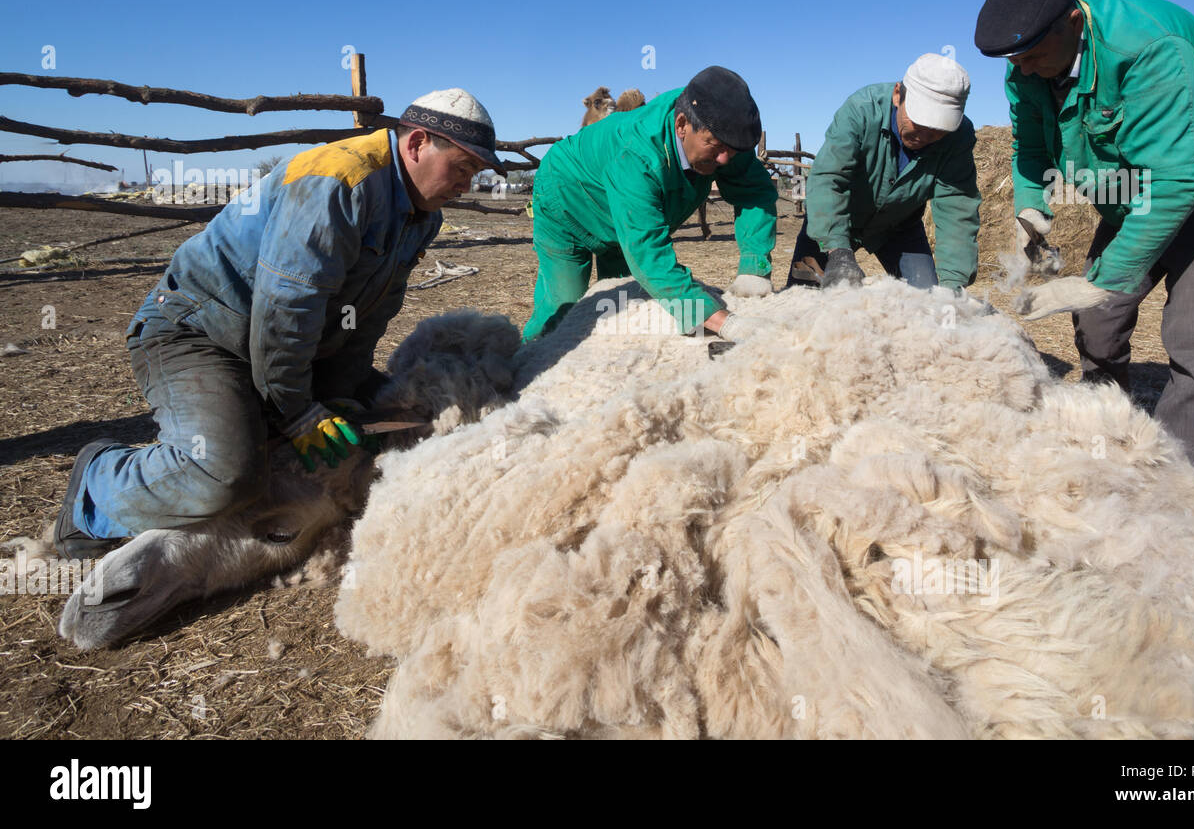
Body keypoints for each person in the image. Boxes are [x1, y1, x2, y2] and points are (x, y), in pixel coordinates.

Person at [54, 89, 504, 558]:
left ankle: (267, 409)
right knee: (226, 475)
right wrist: (298, 410)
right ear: (417, 144)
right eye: (463, 169)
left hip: (276, 343)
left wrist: (342, 390)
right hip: (201, 331)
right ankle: (97, 485)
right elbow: (285, 310)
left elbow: (369, 314)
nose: (466, 186)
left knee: (396, 420)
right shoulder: (338, 183)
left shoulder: (419, 216)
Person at [976, 0, 1194, 496]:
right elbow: (1029, 147)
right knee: (1099, 326)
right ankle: (1104, 432)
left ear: (1072, 21)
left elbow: (1175, 181)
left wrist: (1095, 280)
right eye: (1014, 60)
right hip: (1133, 190)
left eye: (1033, 56)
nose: (1021, 71)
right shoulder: (1028, 62)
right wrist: (1029, 206)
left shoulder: (1148, 50)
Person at [522, 65, 779, 341]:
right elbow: (647, 250)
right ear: (681, 125)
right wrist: (721, 321)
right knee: (565, 311)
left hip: (625, 217)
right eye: (715, 147)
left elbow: (755, 191)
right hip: (568, 202)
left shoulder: (719, 130)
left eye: (732, 150)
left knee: (624, 307)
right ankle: (527, 363)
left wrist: (755, 264)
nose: (725, 160)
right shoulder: (638, 154)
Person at [790, 53, 982, 292]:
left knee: (928, 302)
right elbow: (829, 178)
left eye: (937, 131)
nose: (924, 136)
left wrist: (954, 283)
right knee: (801, 301)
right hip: (837, 217)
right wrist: (838, 251)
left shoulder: (958, 138)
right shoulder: (861, 110)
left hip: (899, 226)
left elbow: (957, 206)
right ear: (897, 95)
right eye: (918, 123)